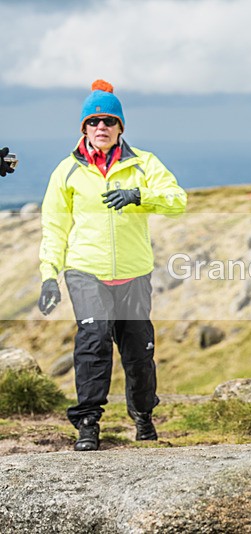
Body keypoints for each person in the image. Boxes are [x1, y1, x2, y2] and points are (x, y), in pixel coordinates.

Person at [38, 80, 187, 451]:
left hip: (135, 273)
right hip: (86, 270)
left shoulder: (144, 163)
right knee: (94, 341)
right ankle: (88, 423)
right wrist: (48, 276)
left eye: (108, 120)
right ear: (83, 129)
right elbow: (54, 227)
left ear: (121, 127)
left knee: (139, 351)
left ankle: (143, 417)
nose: (100, 127)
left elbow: (177, 201)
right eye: (93, 122)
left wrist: (139, 195)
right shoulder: (66, 172)